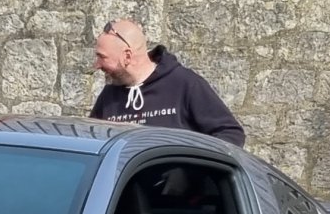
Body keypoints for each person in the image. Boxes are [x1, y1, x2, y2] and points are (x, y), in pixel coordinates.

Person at [90, 19, 245, 146]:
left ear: (127, 56)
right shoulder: (108, 97)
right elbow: (92, 143)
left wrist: (190, 171)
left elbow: (231, 134)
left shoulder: (184, 84)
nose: (97, 65)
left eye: (102, 57)